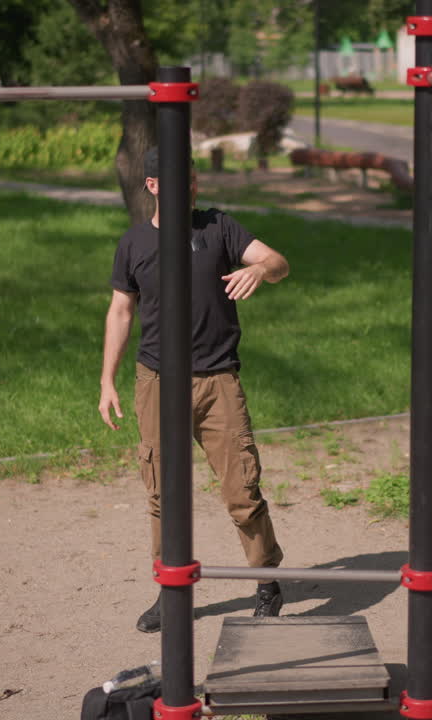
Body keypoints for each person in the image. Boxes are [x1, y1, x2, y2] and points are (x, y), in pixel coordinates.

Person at [99, 147, 289, 634]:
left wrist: (259, 270)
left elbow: (277, 260)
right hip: (158, 381)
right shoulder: (135, 243)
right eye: (178, 179)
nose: (192, 187)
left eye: (194, 178)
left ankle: (267, 580)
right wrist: (107, 380)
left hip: (218, 378)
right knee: (164, 495)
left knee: (242, 490)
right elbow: (121, 312)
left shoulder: (218, 227)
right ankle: (172, 589)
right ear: (154, 185)